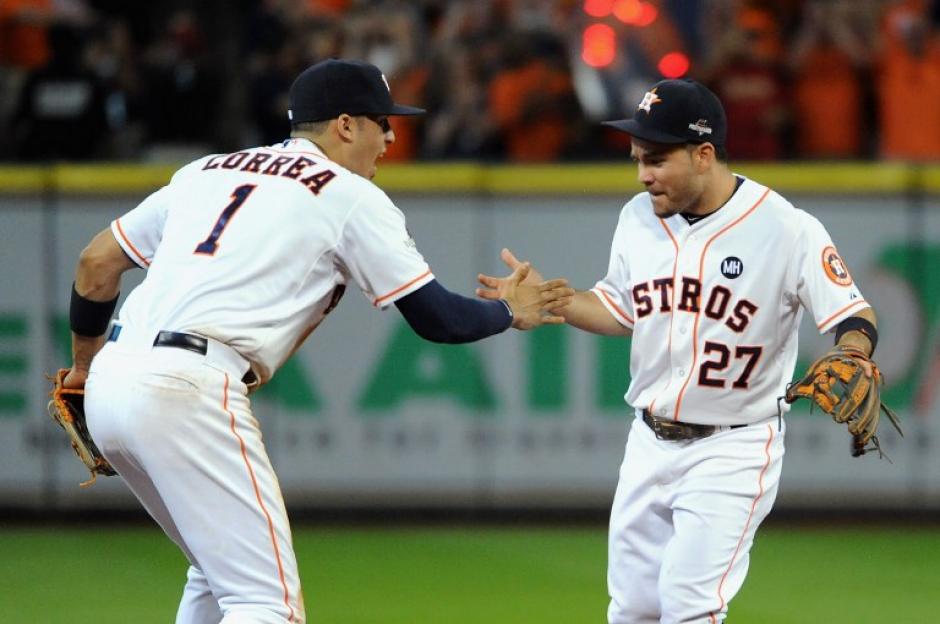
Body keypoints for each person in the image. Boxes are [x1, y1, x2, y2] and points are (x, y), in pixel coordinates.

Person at [63, 58, 572, 623]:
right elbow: (438, 320)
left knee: (216, 574)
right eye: (383, 122)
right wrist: (508, 311)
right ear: (346, 125)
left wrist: (86, 368)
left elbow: (95, 265)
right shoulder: (348, 194)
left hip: (116, 376)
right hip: (188, 384)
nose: (392, 136)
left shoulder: (206, 170)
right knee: (265, 603)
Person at [478, 78, 883, 623]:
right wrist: (556, 301)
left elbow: (852, 311)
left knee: (690, 607)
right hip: (648, 441)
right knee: (633, 611)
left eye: (657, 159)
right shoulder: (637, 217)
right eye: (638, 158)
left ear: (704, 154)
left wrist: (854, 349)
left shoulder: (785, 228)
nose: (644, 173)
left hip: (733, 448)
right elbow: (621, 309)